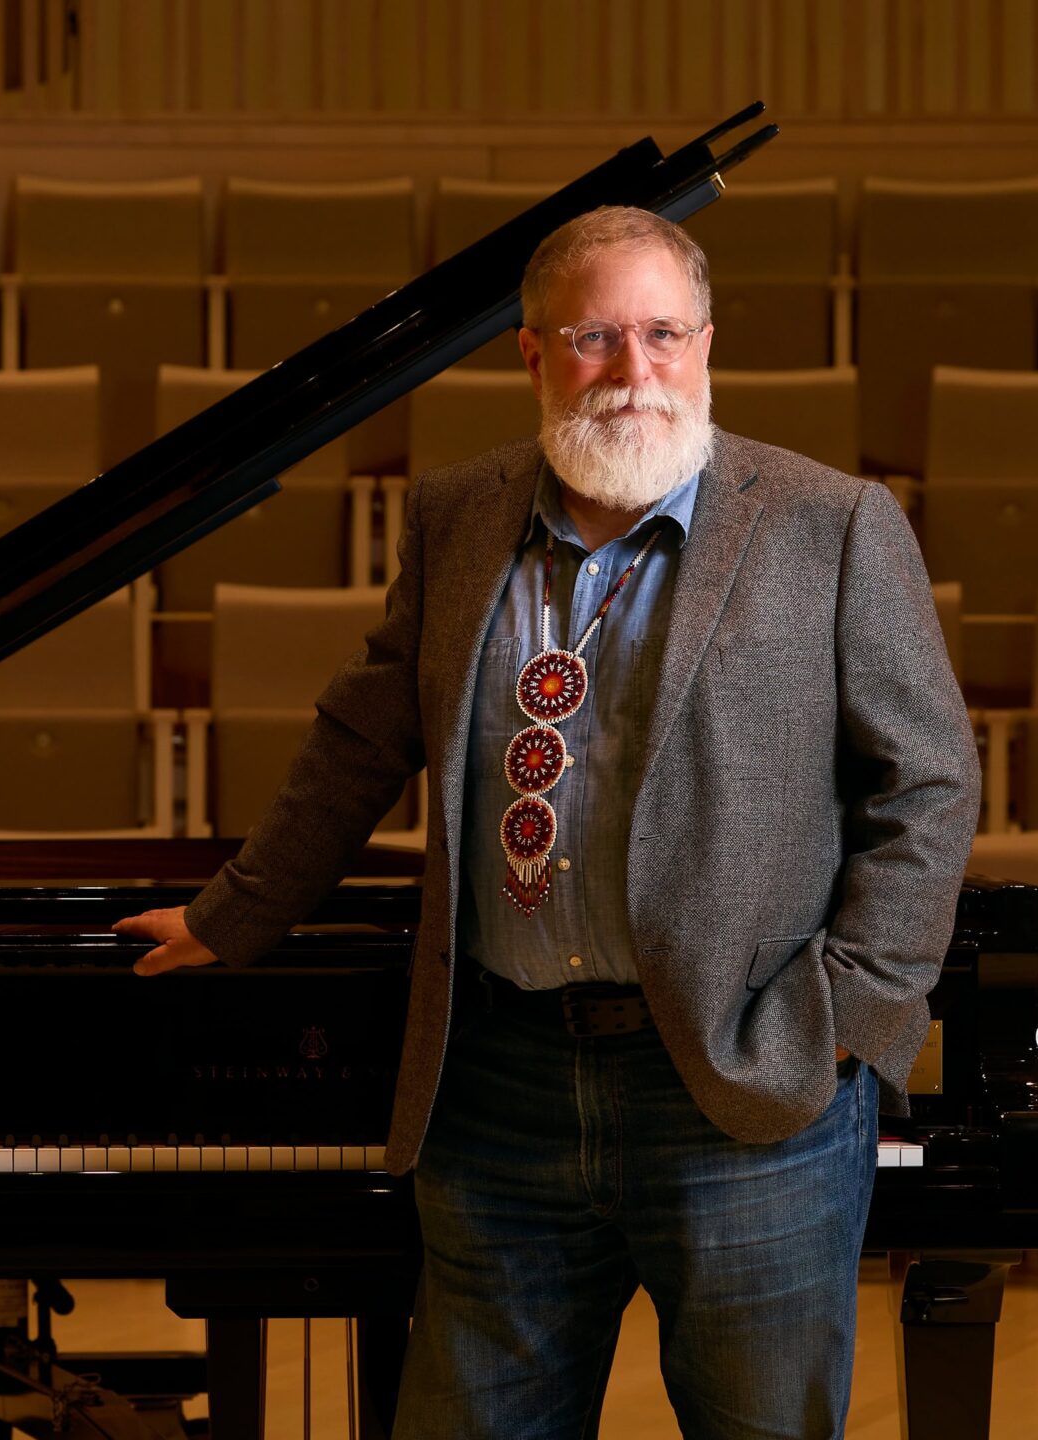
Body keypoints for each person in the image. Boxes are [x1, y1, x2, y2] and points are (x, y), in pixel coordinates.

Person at [113, 205, 979, 1438]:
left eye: (663, 335)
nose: (634, 373)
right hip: (500, 1086)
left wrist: (844, 1011)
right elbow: (364, 739)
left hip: (738, 1081)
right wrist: (237, 913)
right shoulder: (458, 517)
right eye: (594, 338)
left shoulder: (827, 525)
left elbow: (930, 782)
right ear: (531, 355)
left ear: (707, 343)